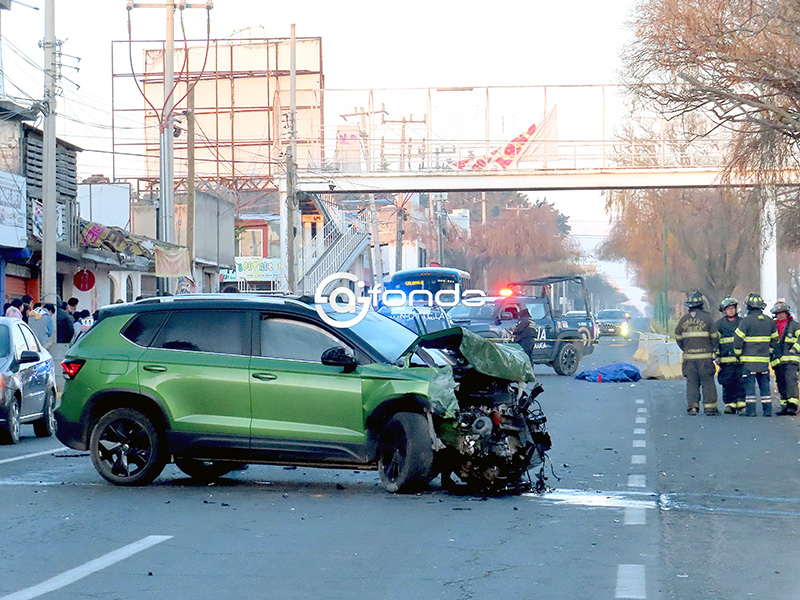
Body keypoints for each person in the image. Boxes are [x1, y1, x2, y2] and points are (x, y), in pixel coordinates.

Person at [674, 291, 719, 415]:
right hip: (705, 359)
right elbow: (715, 337)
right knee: (708, 383)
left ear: (689, 306)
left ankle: (692, 407)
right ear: (702, 304)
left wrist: (686, 349)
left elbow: (678, 337)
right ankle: (710, 408)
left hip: (689, 360)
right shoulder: (708, 319)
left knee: (692, 383)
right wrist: (713, 350)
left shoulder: (683, 320)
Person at [733, 293, 778, 416]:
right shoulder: (769, 321)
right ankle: (767, 411)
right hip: (763, 361)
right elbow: (775, 339)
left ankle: (751, 411)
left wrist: (738, 354)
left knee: (750, 387)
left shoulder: (746, 321)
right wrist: (769, 351)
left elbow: (737, 339)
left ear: (748, 307)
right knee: (764, 386)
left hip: (748, 363)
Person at [770, 301, 800, 416]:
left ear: (787, 313)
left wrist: (795, 349)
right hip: (778, 361)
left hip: (792, 360)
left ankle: (792, 406)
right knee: (781, 382)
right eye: (778, 313)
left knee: (790, 381)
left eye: (782, 313)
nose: (780, 315)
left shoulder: (794, 325)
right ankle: (784, 405)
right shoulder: (773, 327)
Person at [716, 296, 745, 414]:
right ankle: (729, 404)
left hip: (741, 360)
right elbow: (715, 342)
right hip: (726, 360)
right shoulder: (719, 325)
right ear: (724, 311)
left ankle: (741, 403)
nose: (731, 311)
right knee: (727, 382)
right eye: (728, 309)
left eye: (733, 308)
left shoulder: (743, 323)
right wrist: (717, 356)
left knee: (741, 381)